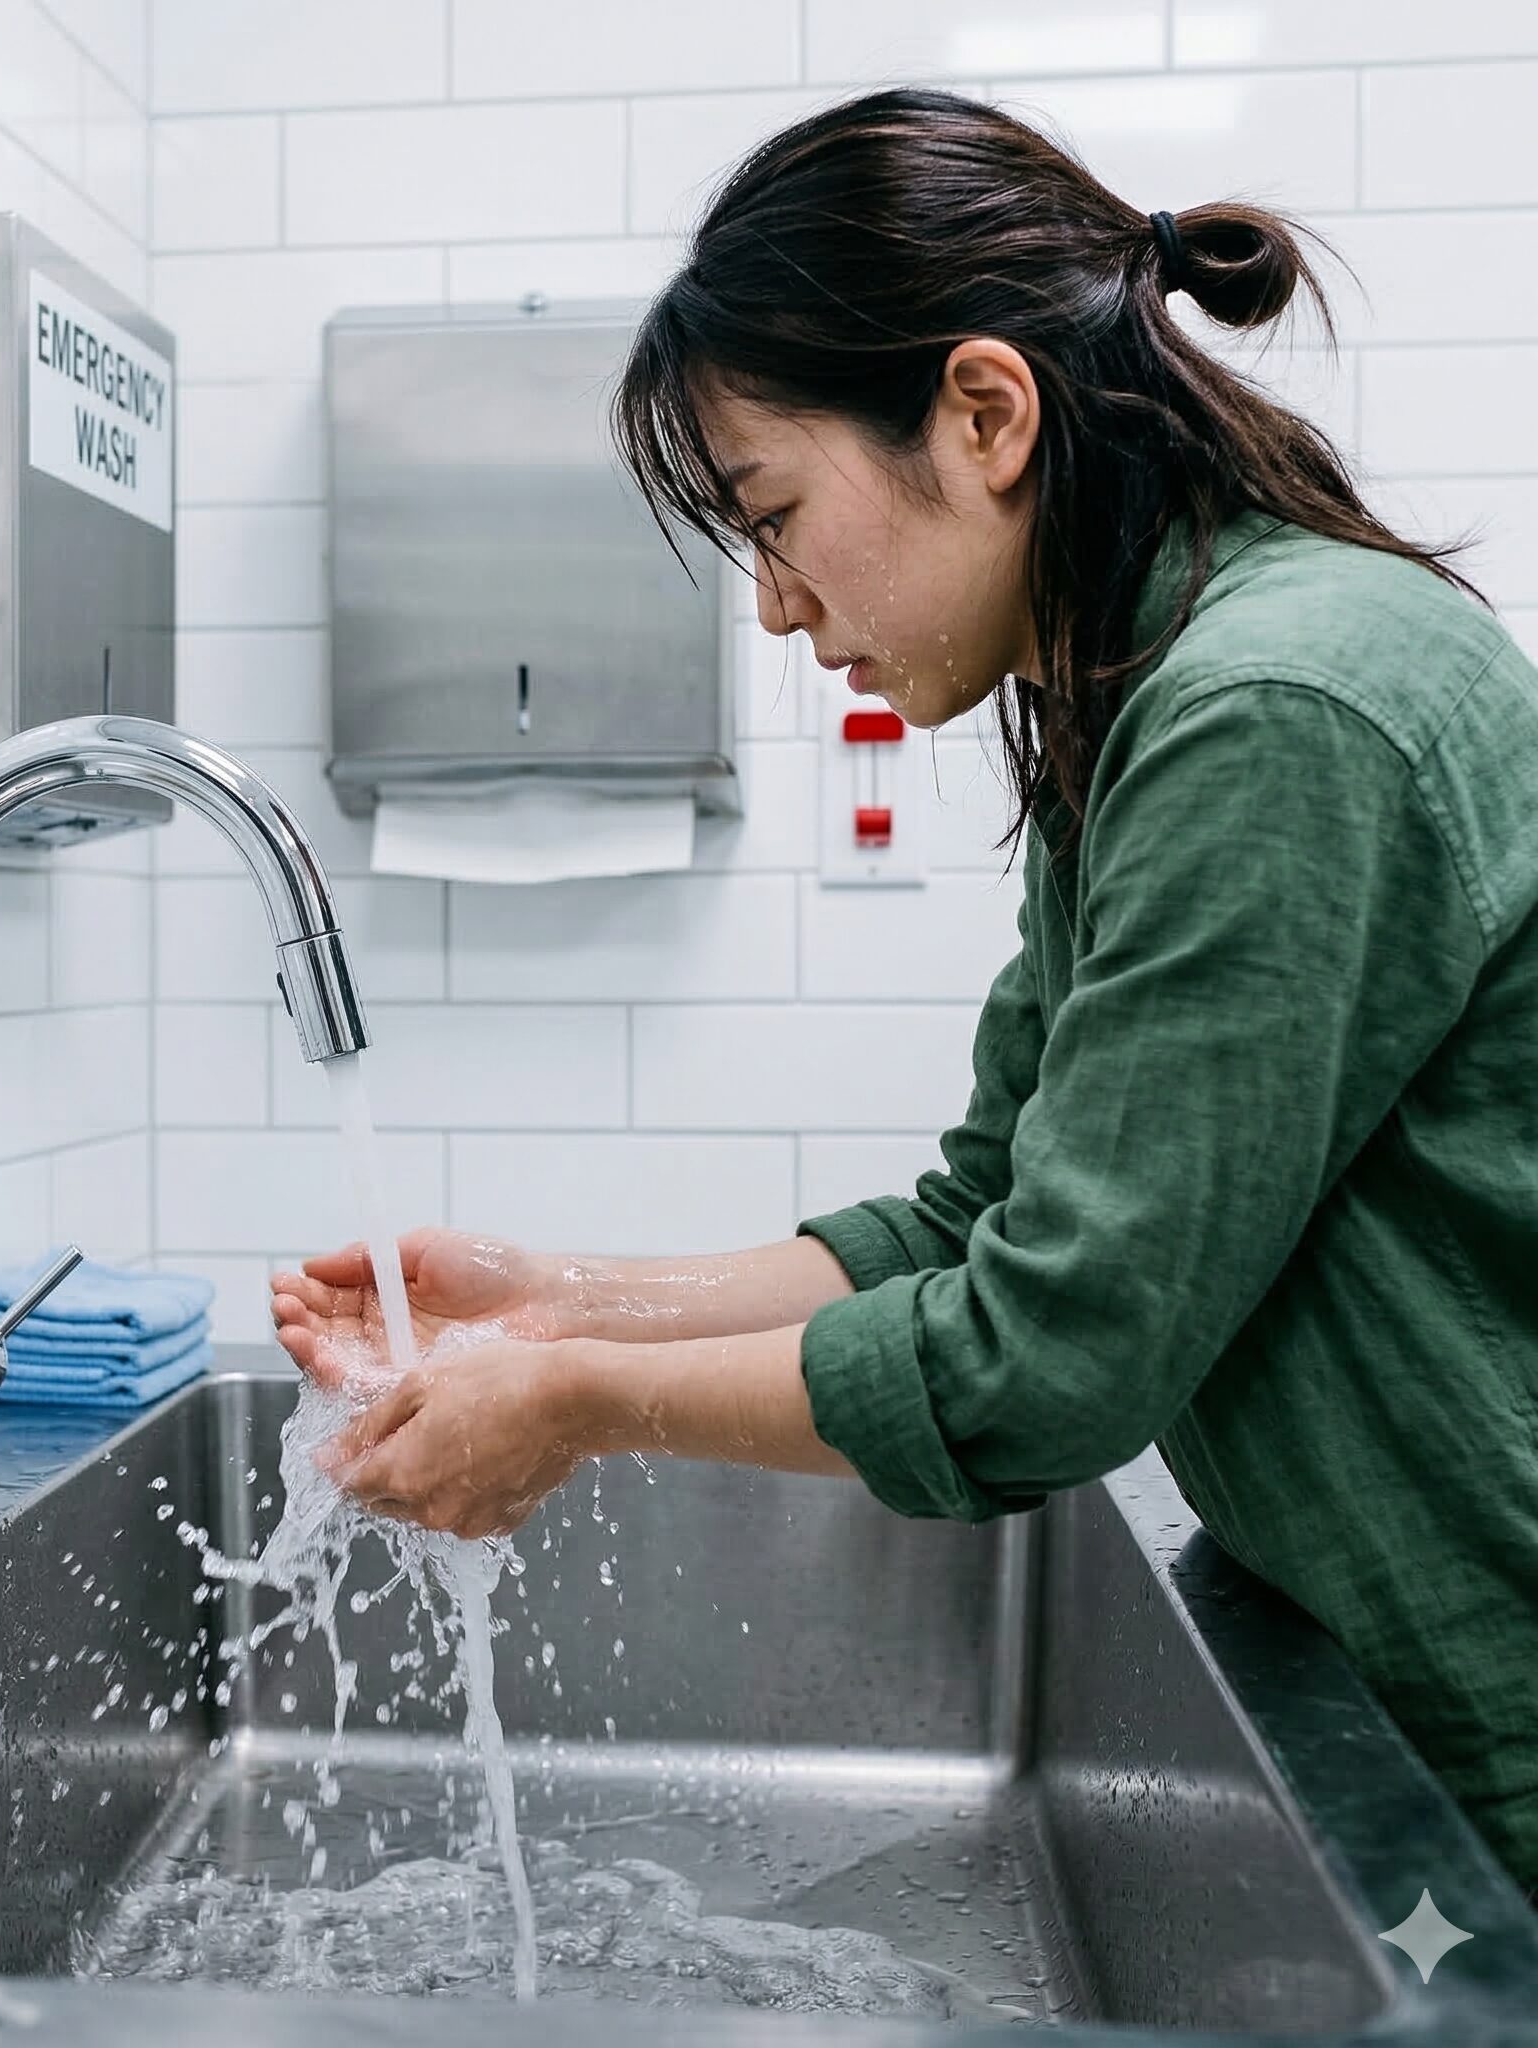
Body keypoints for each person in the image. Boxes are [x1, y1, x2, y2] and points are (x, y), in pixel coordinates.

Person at [270, 88, 1538, 1899]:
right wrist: (567, 1308)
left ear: (986, 412)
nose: (779, 610)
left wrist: (572, 1405)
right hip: (1404, 1672)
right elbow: (980, 1217)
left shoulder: (1274, 714)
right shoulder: (1156, 694)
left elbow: (1052, 1358)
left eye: (776, 514)